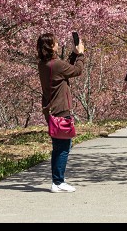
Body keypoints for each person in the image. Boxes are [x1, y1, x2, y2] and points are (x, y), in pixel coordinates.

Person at [38, 32, 85, 193]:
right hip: (60, 109)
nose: (58, 44)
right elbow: (77, 71)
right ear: (50, 46)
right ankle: (58, 181)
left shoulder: (45, 64)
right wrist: (81, 55)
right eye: (56, 43)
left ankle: (57, 180)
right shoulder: (55, 65)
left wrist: (73, 54)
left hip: (51, 109)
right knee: (64, 147)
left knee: (58, 146)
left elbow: (65, 69)